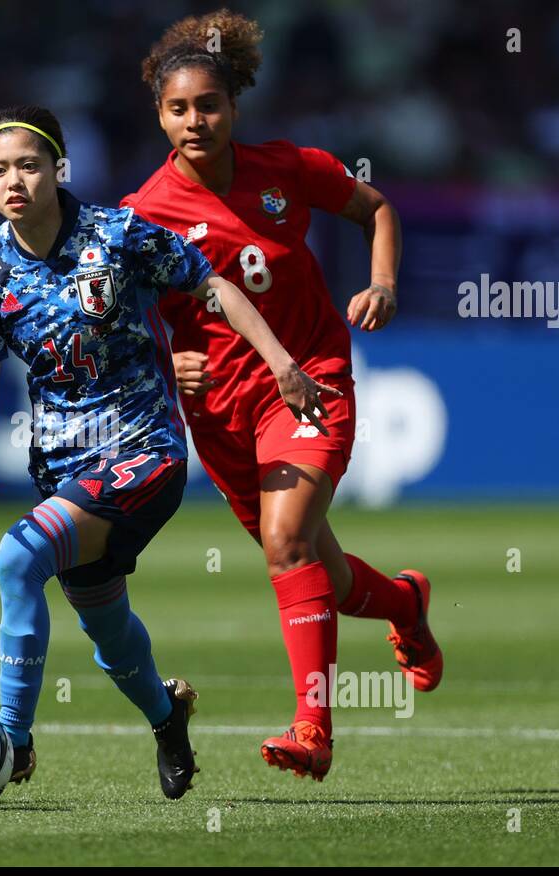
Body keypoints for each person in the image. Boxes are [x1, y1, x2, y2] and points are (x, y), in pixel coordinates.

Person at [0, 104, 336, 798]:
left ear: (57, 169)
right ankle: (167, 719)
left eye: (29, 166)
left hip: (145, 449)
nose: (15, 181)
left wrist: (279, 360)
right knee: (106, 629)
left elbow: (212, 283)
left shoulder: (115, 233)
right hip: (65, 468)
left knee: (17, 557)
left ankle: (12, 738)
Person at [122, 9, 441, 782]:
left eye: (208, 105)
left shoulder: (290, 168)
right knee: (317, 573)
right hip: (221, 416)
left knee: (286, 541)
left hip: (308, 381)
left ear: (233, 106)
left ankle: (314, 728)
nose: (194, 121)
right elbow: (119, 324)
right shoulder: (140, 216)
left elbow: (377, 210)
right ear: (159, 115)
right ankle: (404, 604)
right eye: (177, 108)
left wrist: (385, 283)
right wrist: (172, 364)